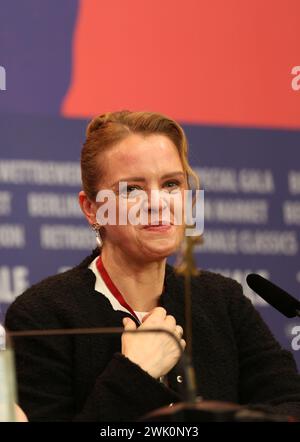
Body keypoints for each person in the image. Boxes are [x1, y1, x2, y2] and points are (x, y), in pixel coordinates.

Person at [5, 111, 300, 422]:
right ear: (91, 209)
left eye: (171, 184)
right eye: (132, 189)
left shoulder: (223, 301)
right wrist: (136, 373)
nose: (158, 202)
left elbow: (290, 404)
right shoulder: (43, 316)